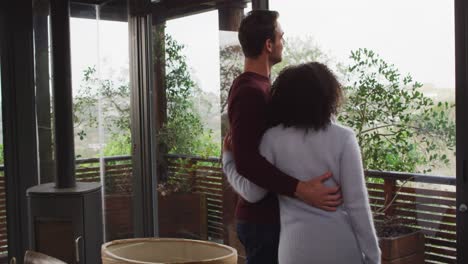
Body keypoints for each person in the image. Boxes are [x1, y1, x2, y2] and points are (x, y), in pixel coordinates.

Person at [223, 62, 381, 264]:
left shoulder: (272, 138)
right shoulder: (343, 138)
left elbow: (253, 194)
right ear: (327, 96)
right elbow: (357, 206)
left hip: (294, 252)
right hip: (341, 248)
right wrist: (373, 258)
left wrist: (228, 160)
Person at [225, 10, 342, 264]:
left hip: (270, 218)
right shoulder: (250, 91)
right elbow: (245, 160)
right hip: (261, 221)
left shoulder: (262, 86)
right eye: (281, 36)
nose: (283, 42)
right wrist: (300, 189)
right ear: (269, 44)